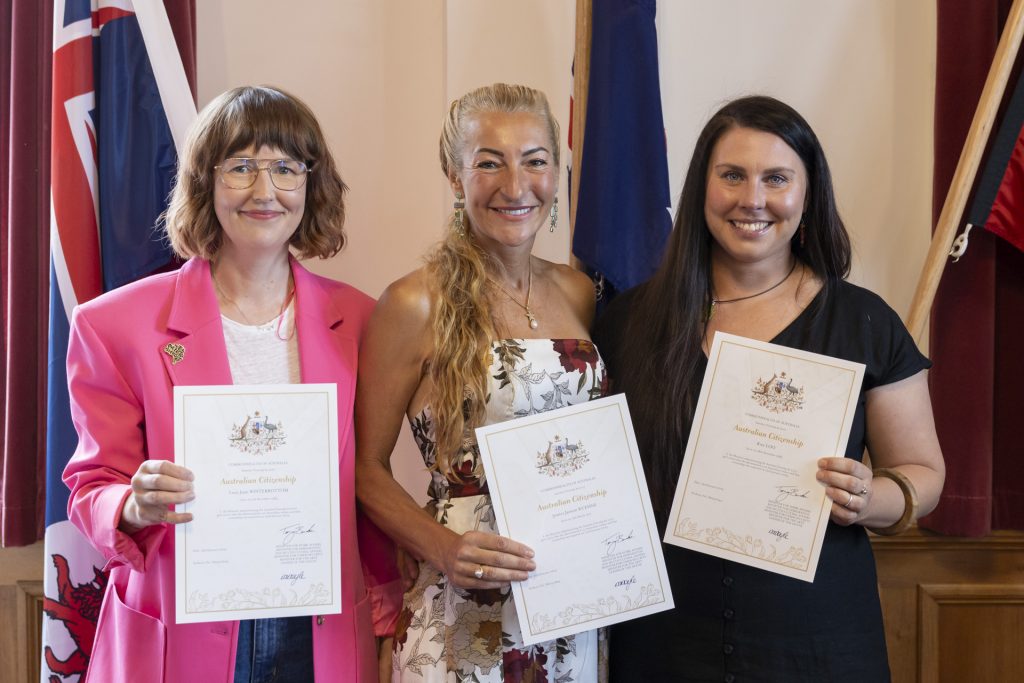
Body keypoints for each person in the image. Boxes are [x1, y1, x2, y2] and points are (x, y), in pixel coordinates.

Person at [592, 95, 945, 682]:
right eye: (731, 175)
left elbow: (923, 474)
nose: (751, 199)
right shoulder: (629, 321)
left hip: (816, 642)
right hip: (665, 643)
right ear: (702, 188)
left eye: (776, 178)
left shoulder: (864, 322)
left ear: (807, 195)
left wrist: (869, 498)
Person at [63, 85, 400, 682]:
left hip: (319, 627)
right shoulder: (113, 325)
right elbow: (91, 486)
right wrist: (133, 504)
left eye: (285, 168)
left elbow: (366, 487)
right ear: (205, 182)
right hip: (180, 626)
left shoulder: (363, 322)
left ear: (310, 185)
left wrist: (386, 618)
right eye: (241, 167)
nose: (264, 190)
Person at [354, 83, 604, 682]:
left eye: (534, 161)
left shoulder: (578, 292)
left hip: (572, 595)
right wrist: (442, 548)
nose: (515, 186)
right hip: (465, 597)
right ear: (453, 174)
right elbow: (363, 467)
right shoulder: (414, 302)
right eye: (489, 163)